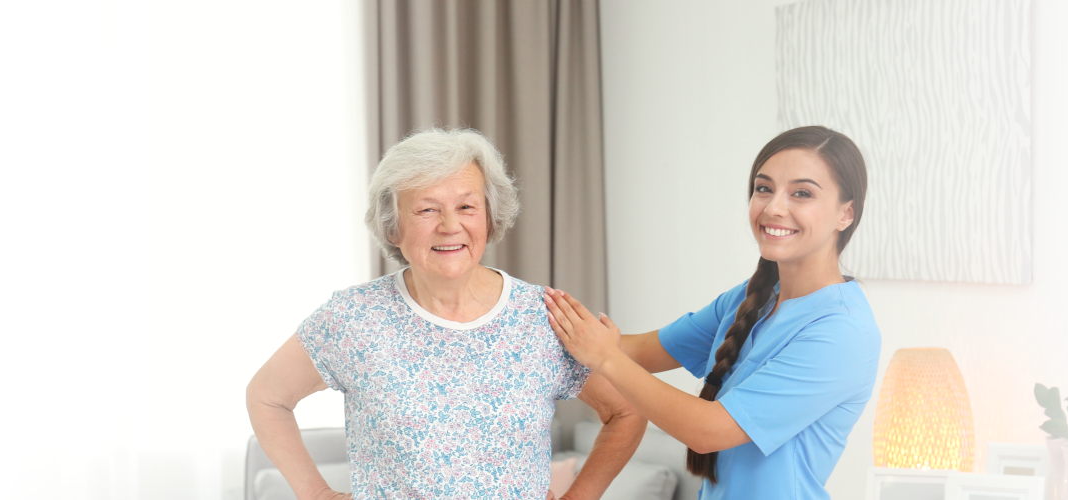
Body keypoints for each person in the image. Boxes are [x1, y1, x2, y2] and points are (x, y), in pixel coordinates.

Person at [246, 128, 645, 499]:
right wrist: (316, 494)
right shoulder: (352, 318)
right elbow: (266, 398)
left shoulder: (544, 316)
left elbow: (628, 409)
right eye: (426, 210)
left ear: (489, 220)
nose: (450, 225)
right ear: (392, 228)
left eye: (467, 206)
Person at [543, 126, 882, 499]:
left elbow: (707, 431)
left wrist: (604, 357)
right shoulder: (750, 298)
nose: (773, 207)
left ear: (845, 214)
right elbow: (638, 351)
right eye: (763, 188)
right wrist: (518, 320)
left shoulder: (842, 332)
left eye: (802, 193)